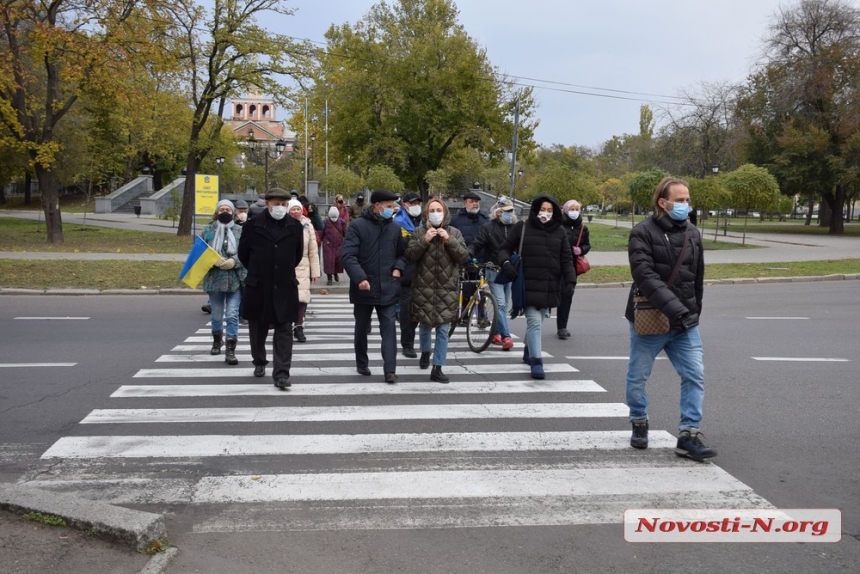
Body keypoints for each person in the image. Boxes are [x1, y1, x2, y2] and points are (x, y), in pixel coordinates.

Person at [624, 176, 715, 461]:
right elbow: (645, 276)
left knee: (695, 375)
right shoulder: (641, 233)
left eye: (688, 200)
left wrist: (693, 313)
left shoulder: (693, 234)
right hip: (649, 319)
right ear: (663, 203)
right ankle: (639, 419)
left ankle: (688, 434)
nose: (685, 205)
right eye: (680, 200)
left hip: (684, 323)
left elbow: (697, 279)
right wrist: (676, 309)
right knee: (638, 377)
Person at [498, 195, 576, 379]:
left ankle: (527, 350)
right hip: (528, 284)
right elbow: (504, 249)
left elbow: (566, 259)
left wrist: (570, 281)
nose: (545, 213)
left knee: (538, 321)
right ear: (535, 209)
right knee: (533, 321)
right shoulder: (523, 227)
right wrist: (506, 263)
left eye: (550, 210)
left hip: (550, 284)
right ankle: (537, 361)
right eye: (543, 209)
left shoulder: (560, 232)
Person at [237, 187, 304, 390]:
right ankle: (259, 361)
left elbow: (297, 255)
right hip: (259, 284)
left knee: (284, 330)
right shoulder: (252, 226)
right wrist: (259, 269)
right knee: (258, 327)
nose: (281, 208)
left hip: (285, 285)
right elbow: (244, 254)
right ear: (267, 204)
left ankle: (282, 373)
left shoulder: (295, 227)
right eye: (277, 204)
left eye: (284, 205)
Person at [342, 189, 406, 383]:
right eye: (389, 207)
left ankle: (390, 370)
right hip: (364, 287)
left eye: (393, 207)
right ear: (377, 206)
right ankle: (362, 363)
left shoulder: (395, 228)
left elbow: (402, 254)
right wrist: (360, 278)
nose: (392, 210)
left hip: (388, 285)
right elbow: (348, 255)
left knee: (389, 328)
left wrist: (398, 269)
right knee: (362, 327)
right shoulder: (357, 226)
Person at [406, 199, 469, 382]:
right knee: (425, 325)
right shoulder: (419, 231)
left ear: (445, 212)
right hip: (423, 288)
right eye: (432, 210)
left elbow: (463, 256)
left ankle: (438, 367)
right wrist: (424, 241)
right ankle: (425, 352)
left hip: (447, 289)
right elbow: (410, 255)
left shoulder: (454, 232)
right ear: (427, 214)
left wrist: (449, 241)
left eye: (438, 210)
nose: (435, 213)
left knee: (443, 329)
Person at [200, 199, 247, 365]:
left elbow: (247, 252)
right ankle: (217, 339)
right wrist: (212, 260)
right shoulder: (207, 231)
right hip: (214, 280)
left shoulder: (241, 230)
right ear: (216, 212)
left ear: (233, 212)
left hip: (235, 280)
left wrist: (235, 261)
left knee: (233, 314)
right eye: (221, 209)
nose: (225, 212)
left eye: (228, 209)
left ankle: (230, 349)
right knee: (217, 315)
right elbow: (199, 251)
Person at [468, 197, 517, 350]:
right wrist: (469, 253)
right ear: (498, 212)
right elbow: (477, 243)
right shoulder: (488, 228)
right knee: (501, 304)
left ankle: (495, 333)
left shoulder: (516, 228)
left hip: (510, 270)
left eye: (511, 211)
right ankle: (506, 336)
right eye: (506, 211)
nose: (509, 214)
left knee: (502, 305)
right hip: (493, 269)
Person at [450, 189, 489, 321]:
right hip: (462, 259)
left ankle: (481, 317)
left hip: (481, 259)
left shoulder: (485, 219)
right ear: (465, 203)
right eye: (471, 202)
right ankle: (464, 316)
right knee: (466, 288)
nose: (475, 204)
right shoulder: (456, 220)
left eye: (477, 202)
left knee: (480, 289)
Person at [393, 192, 423, 358]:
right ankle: (408, 344)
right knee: (407, 311)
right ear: (404, 204)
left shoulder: (425, 221)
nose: (415, 206)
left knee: (418, 311)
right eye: (412, 203)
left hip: (424, 274)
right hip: (407, 275)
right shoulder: (398, 224)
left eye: (418, 202)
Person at [557, 199, 591, 340]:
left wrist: (581, 250)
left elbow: (587, 245)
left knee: (568, 294)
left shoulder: (583, 228)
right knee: (556, 292)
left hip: (572, 266)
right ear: (565, 210)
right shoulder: (558, 226)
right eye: (572, 209)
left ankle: (562, 327)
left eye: (577, 209)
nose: (574, 212)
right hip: (557, 264)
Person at [288, 199, 320, 343]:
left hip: (303, 265)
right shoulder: (282, 223)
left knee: (301, 299)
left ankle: (299, 327)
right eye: (292, 209)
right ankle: (286, 326)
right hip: (285, 266)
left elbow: (313, 251)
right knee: (287, 299)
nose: (295, 212)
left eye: (297, 209)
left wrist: (315, 272)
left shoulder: (307, 225)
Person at [321, 205, 347, 285]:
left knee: (338, 260)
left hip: (339, 244)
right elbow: (321, 232)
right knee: (328, 260)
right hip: (327, 244)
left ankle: (335, 272)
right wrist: (319, 240)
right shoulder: (325, 222)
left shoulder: (342, 222)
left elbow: (345, 232)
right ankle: (329, 278)